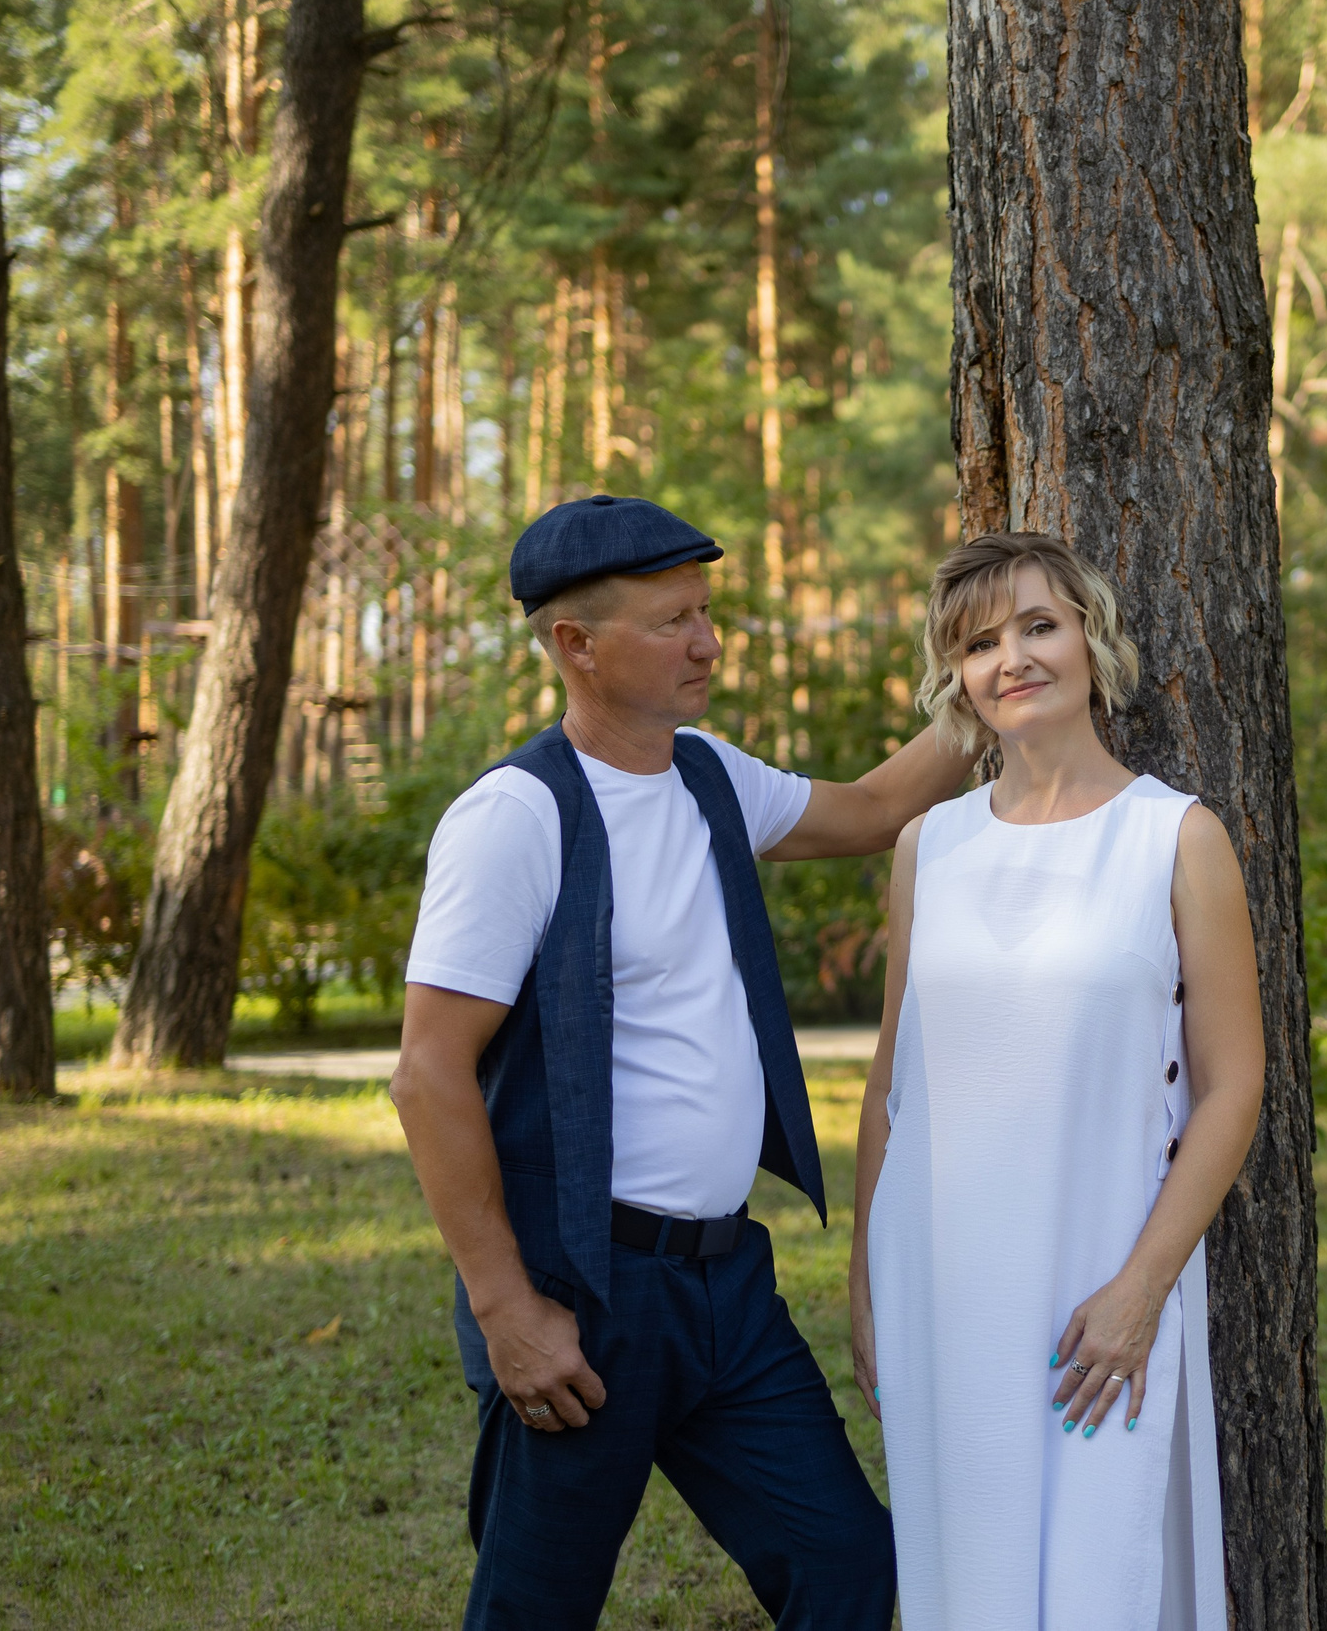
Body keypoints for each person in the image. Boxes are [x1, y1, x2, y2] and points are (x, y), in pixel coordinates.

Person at [389, 495, 974, 1631]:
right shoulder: (516, 816)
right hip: (579, 1294)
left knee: (849, 1566)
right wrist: (508, 1308)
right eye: (673, 622)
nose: (708, 642)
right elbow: (427, 1073)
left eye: (706, 613)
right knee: (536, 1610)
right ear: (576, 643)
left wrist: (985, 682)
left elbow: (871, 811)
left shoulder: (709, 775)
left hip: (726, 1288)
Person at [847, 532, 1266, 1630]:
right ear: (957, 677)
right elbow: (894, 1080)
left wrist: (1141, 1291)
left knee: (1100, 1574)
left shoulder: (1174, 836)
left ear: (1091, 638)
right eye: (979, 643)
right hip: (940, 1281)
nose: (1013, 658)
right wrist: (866, 1284)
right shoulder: (927, 846)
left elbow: (1233, 1086)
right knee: (965, 1576)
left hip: (1100, 1287)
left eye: (1038, 625)